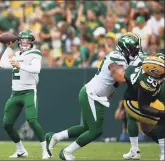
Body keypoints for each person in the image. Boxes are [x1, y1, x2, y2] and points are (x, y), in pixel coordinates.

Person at [46, 32, 141, 160]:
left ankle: (55, 137)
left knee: (86, 128)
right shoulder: (116, 56)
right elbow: (121, 78)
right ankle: (67, 152)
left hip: (95, 96)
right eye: (133, 49)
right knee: (96, 130)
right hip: (92, 95)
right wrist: (136, 71)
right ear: (125, 48)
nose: (135, 52)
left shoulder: (121, 58)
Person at [0, 30, 50, 159]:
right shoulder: (16, 54)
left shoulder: (35, 53)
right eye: (22, 40)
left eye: (27, 40)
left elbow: (36, 69)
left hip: (29, 91)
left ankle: (46, 149)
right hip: (15, 93)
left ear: (32, 42)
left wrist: (19, 65)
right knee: (7, 124)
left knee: (32, 120)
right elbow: (3, 64)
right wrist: (8, 49)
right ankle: (20, 150)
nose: (24, 43)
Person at [123, 53, 165, 161]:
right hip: (138, 102)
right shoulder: (148, 80)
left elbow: (127, 74)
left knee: (153, 125)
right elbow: (143, 105)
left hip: (148, 100)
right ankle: (135, 150)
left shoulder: (143, 68)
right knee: (159, 119)